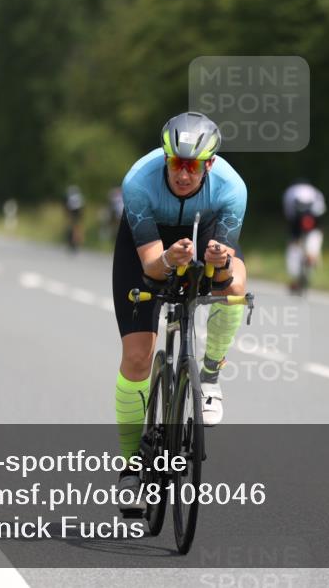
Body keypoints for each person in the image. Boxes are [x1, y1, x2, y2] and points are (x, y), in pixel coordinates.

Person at [111, 112, 248, 510]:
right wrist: (170, 260)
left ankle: (210, 375)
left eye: (193, 166)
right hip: (150, 247)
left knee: (235, 287)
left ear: (210, 164)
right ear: (165, 157)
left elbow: (225, 273)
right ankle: (130, 468)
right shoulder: (138, 182)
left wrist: (221, 263)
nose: (183, 174)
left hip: (204, 231)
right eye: (176, 163)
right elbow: (152, 267)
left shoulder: (232, 188)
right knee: (137, 358)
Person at [282, 179, 326, 293]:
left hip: (297, 220)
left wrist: (294, 235)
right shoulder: (316, 192)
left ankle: (295, 277)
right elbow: (321, 212)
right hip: (315, 221)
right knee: (313, 243)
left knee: (294, 247)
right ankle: (312, 257)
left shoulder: (290, 191)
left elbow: (289, 214)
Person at [64, 185, 85, 252]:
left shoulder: (71, 197)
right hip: (78, 213)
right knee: (78, 227)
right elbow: (82, 207)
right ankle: (78, 240)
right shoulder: (79, 196)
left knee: (72, 226)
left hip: (74, 212)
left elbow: (68, 208)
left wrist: (67, 215)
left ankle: (74, 240)